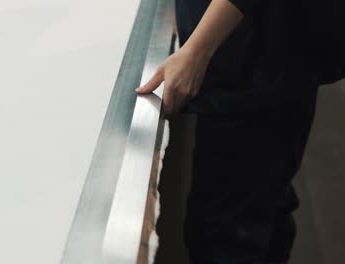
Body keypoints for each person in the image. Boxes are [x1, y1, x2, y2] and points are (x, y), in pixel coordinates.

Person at [137, 0, 344, 263]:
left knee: (227, 235)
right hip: (259, 55)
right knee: (260, 203)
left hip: (256, 59)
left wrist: (197, 50)